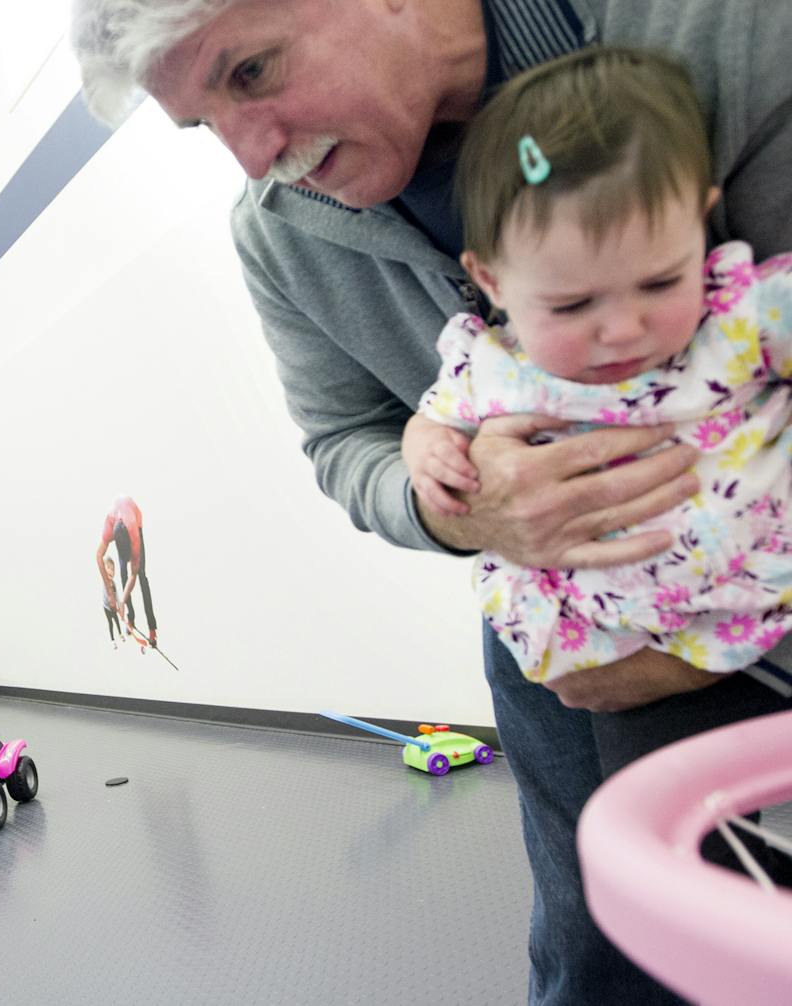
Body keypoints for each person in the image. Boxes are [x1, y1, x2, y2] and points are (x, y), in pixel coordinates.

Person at [71, 1, 792, 1002]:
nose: (251, 158)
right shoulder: (282, 239)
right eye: (203, 124)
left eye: (250, 74)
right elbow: (343, 441)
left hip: (752, 615)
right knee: (589, 937)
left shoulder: (728, 39)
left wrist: (712, 643)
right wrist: (456, 504)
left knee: (737, 940)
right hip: (560, 637)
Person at [406, 48, 792, 684]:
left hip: (751, 600)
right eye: (573, 304)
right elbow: (430, 421)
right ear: (492, 281)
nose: (622, 330)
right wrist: (429, 453)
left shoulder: (736, 318)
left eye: (661, 281)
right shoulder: (494, 366)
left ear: (700, 221)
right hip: (590, 628)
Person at [96, 496, 158, 646]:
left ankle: (152, 628)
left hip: (134, 518)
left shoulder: (135, 538)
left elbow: (134, 575)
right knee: (123, 573)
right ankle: (131, 617)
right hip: (118, 520)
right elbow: (98, 556)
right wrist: (110, 594)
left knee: (141, 576)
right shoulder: (109, 529)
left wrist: (121, 600)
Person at [102, 556, 126, 646]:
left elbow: (117, 597)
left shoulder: (114, 584)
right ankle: (112, 640)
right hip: (107, 607)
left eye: (112, 569)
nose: (111, 571)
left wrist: (120, 608)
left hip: (113, 607)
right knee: (110, 623)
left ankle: (120, 634)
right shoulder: (105, 582)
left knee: (116, 620)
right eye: (108, 568)